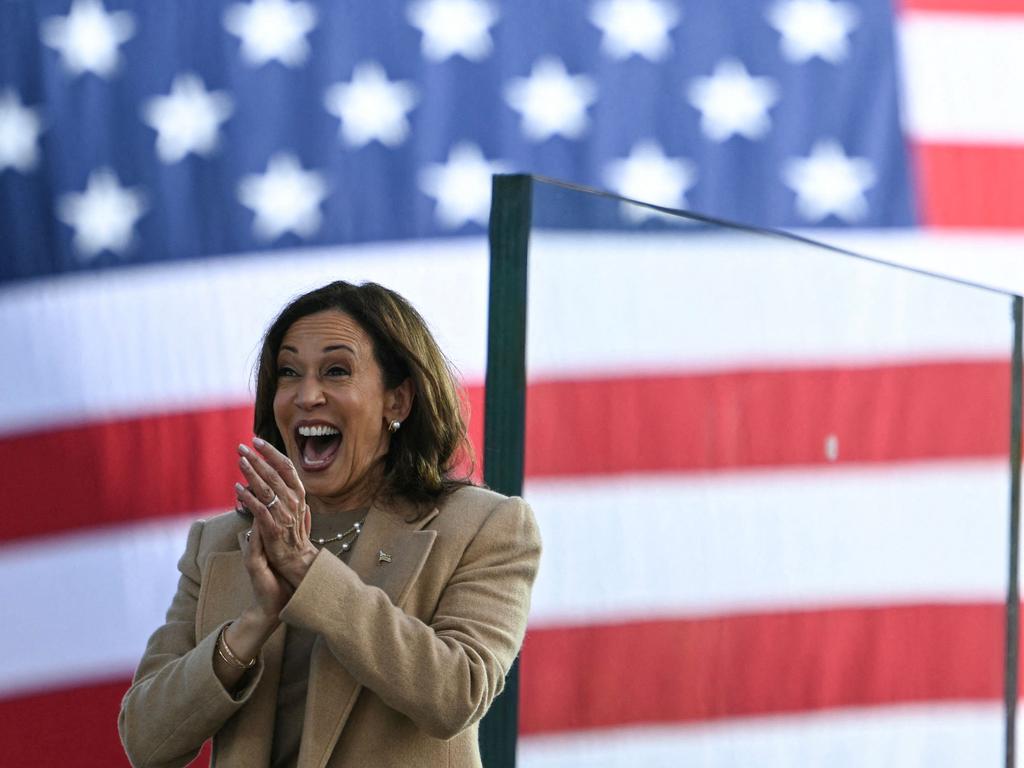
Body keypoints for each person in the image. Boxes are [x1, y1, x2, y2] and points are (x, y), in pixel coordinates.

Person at [118, 280, 542, 768]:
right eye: (289, 372)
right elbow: (145, 741)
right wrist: (252, 626)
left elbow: (455, 695)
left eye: (336, 371)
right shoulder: (219, 542)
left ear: (397, 401)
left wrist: (306, 569)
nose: (307, 394)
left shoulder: (486, 526)